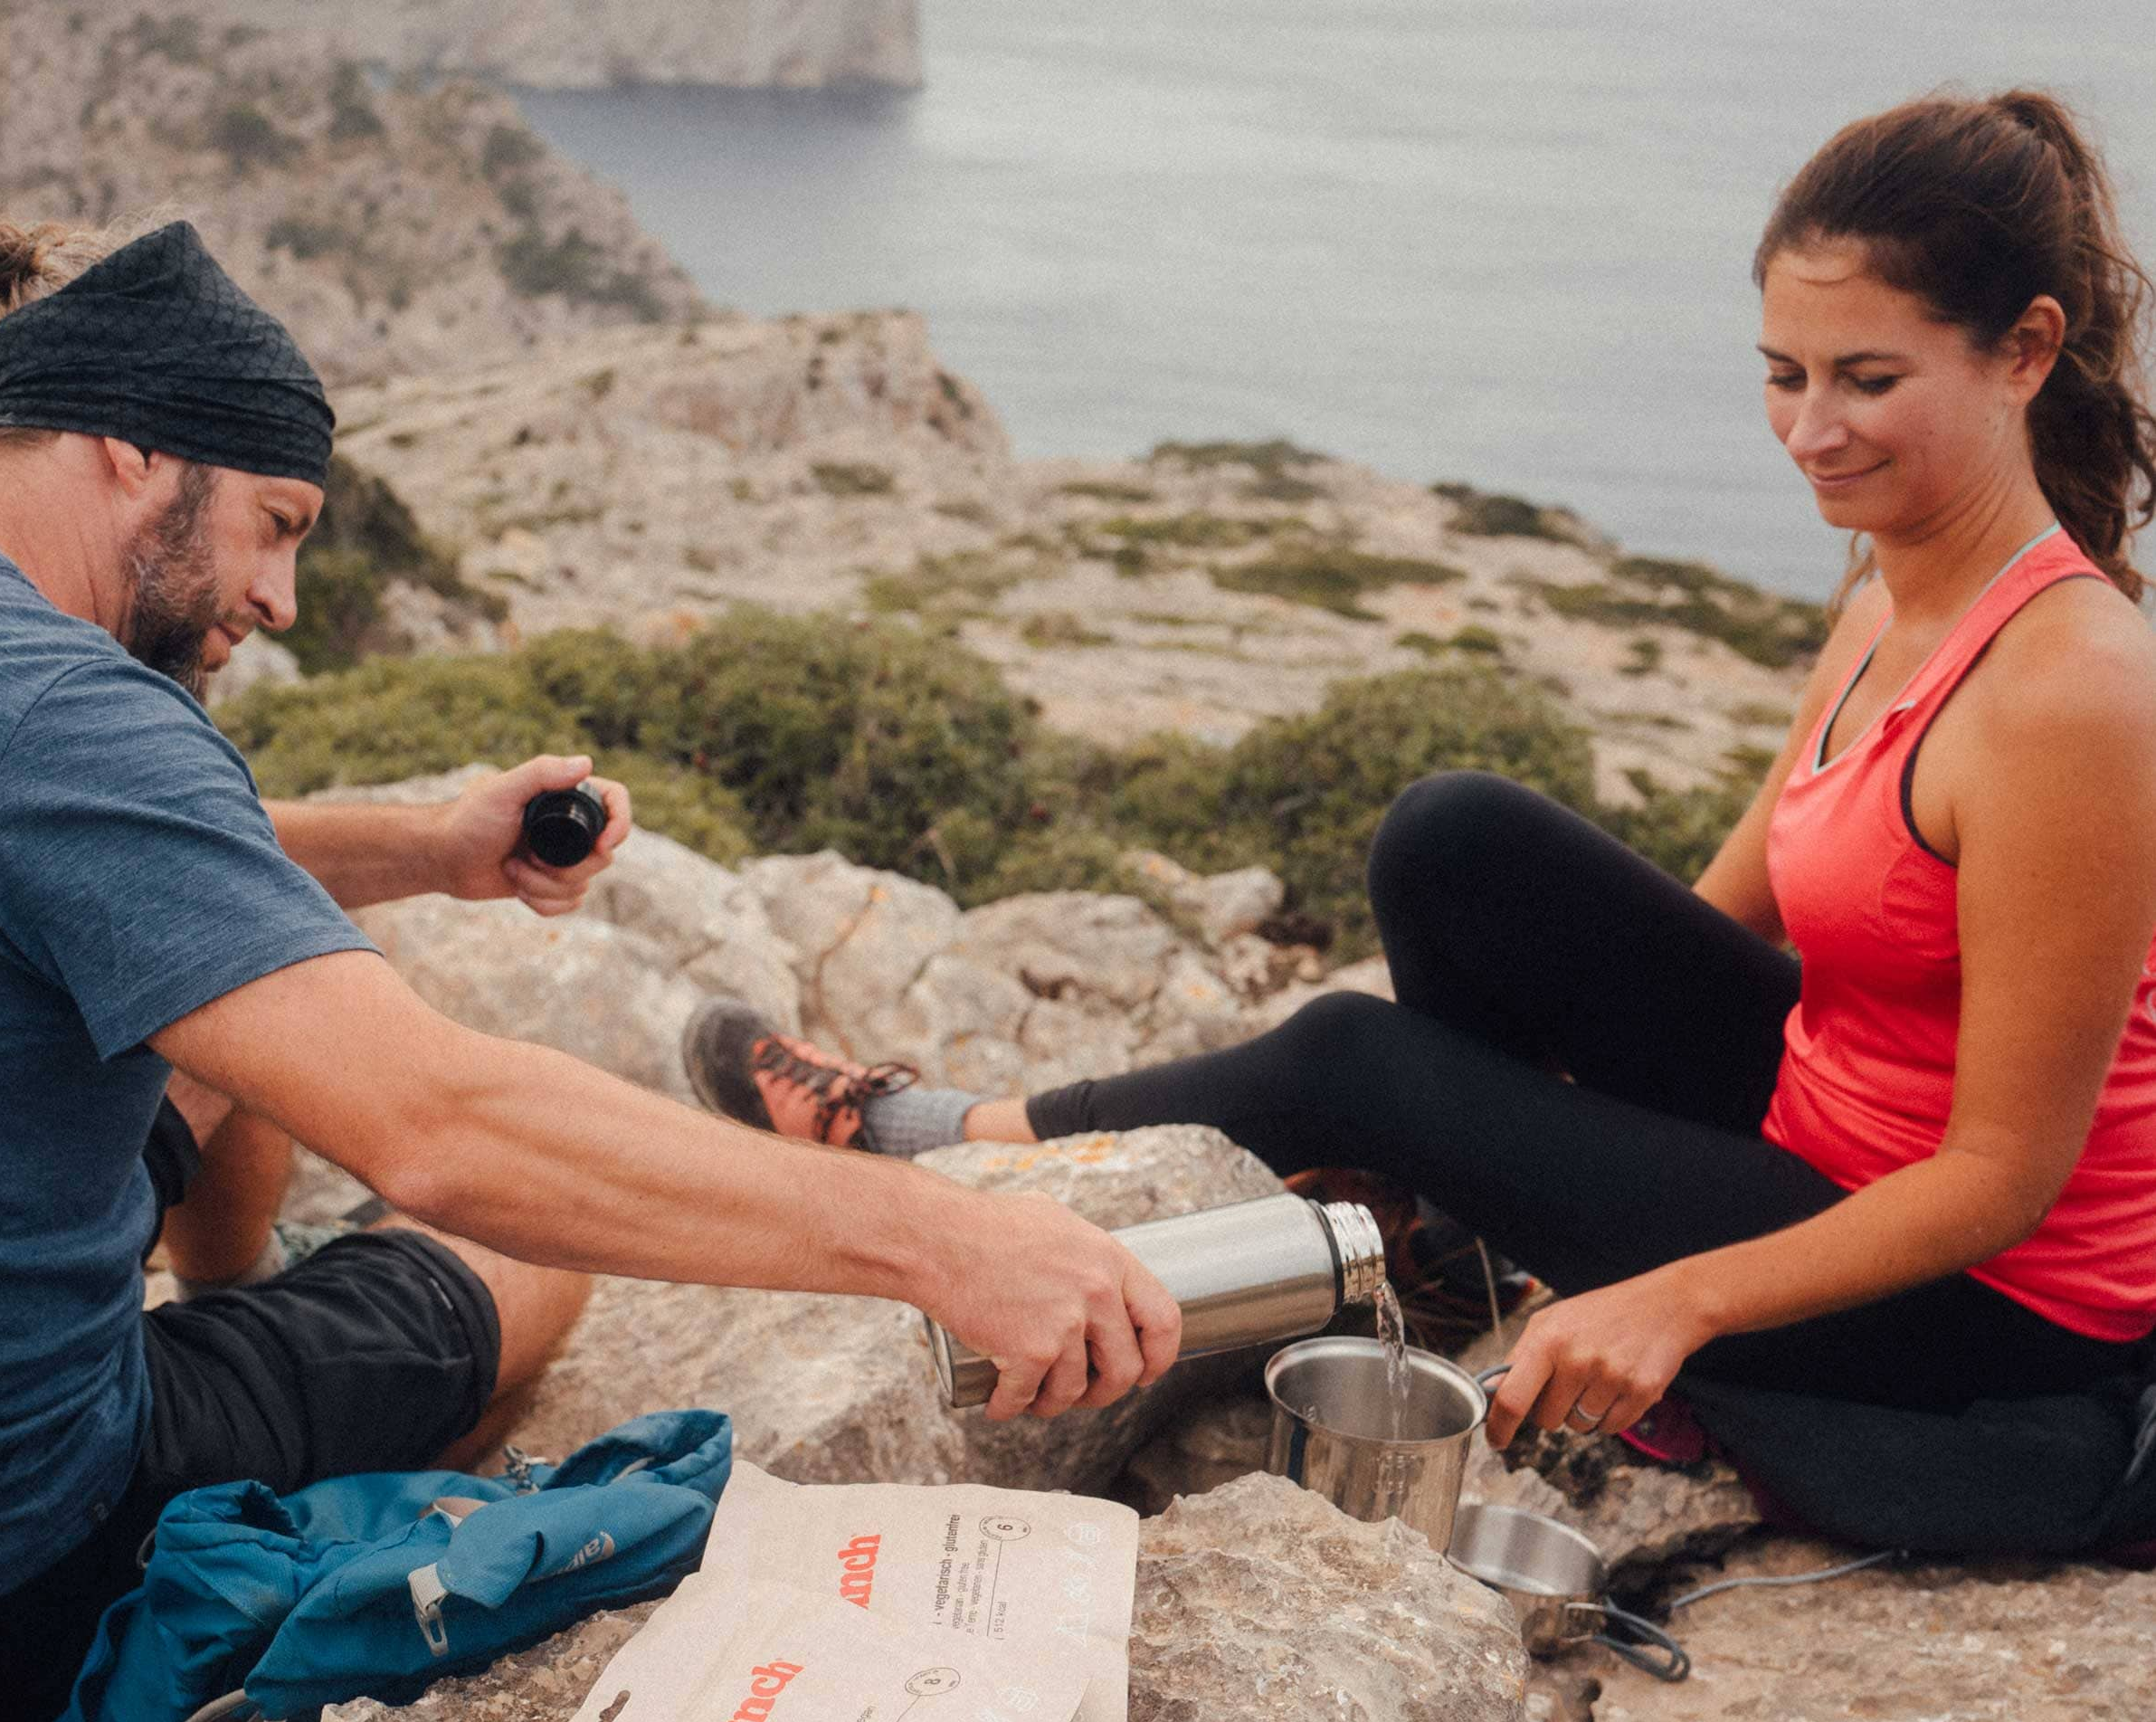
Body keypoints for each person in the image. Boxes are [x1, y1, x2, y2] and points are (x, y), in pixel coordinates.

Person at [0, 216, 1180, 1722]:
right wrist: (941, 1242)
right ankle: (234, 1412)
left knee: (248, 985)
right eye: (274, 528)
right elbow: (445, 1132)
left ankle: (239, 1299)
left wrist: (428, 847)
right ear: (133, 450)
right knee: (528, 1262)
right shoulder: (71, 720)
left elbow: (95, 860)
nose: (281, 597)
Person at [692, 89, 2156, 1468]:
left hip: (1985, 1307)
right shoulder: (1889, 595)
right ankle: (1450, 1228)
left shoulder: (2071, 691)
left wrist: (1671, 1295)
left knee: (1352, 1062)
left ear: (2023, 352)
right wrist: (1527, 1123)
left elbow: (2002, 1179)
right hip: (1814, 1125)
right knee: (1453, 839)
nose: (1809, 432)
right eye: (1784, 374)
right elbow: (1716, 926)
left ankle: (929, 1135)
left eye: (1869, 380)